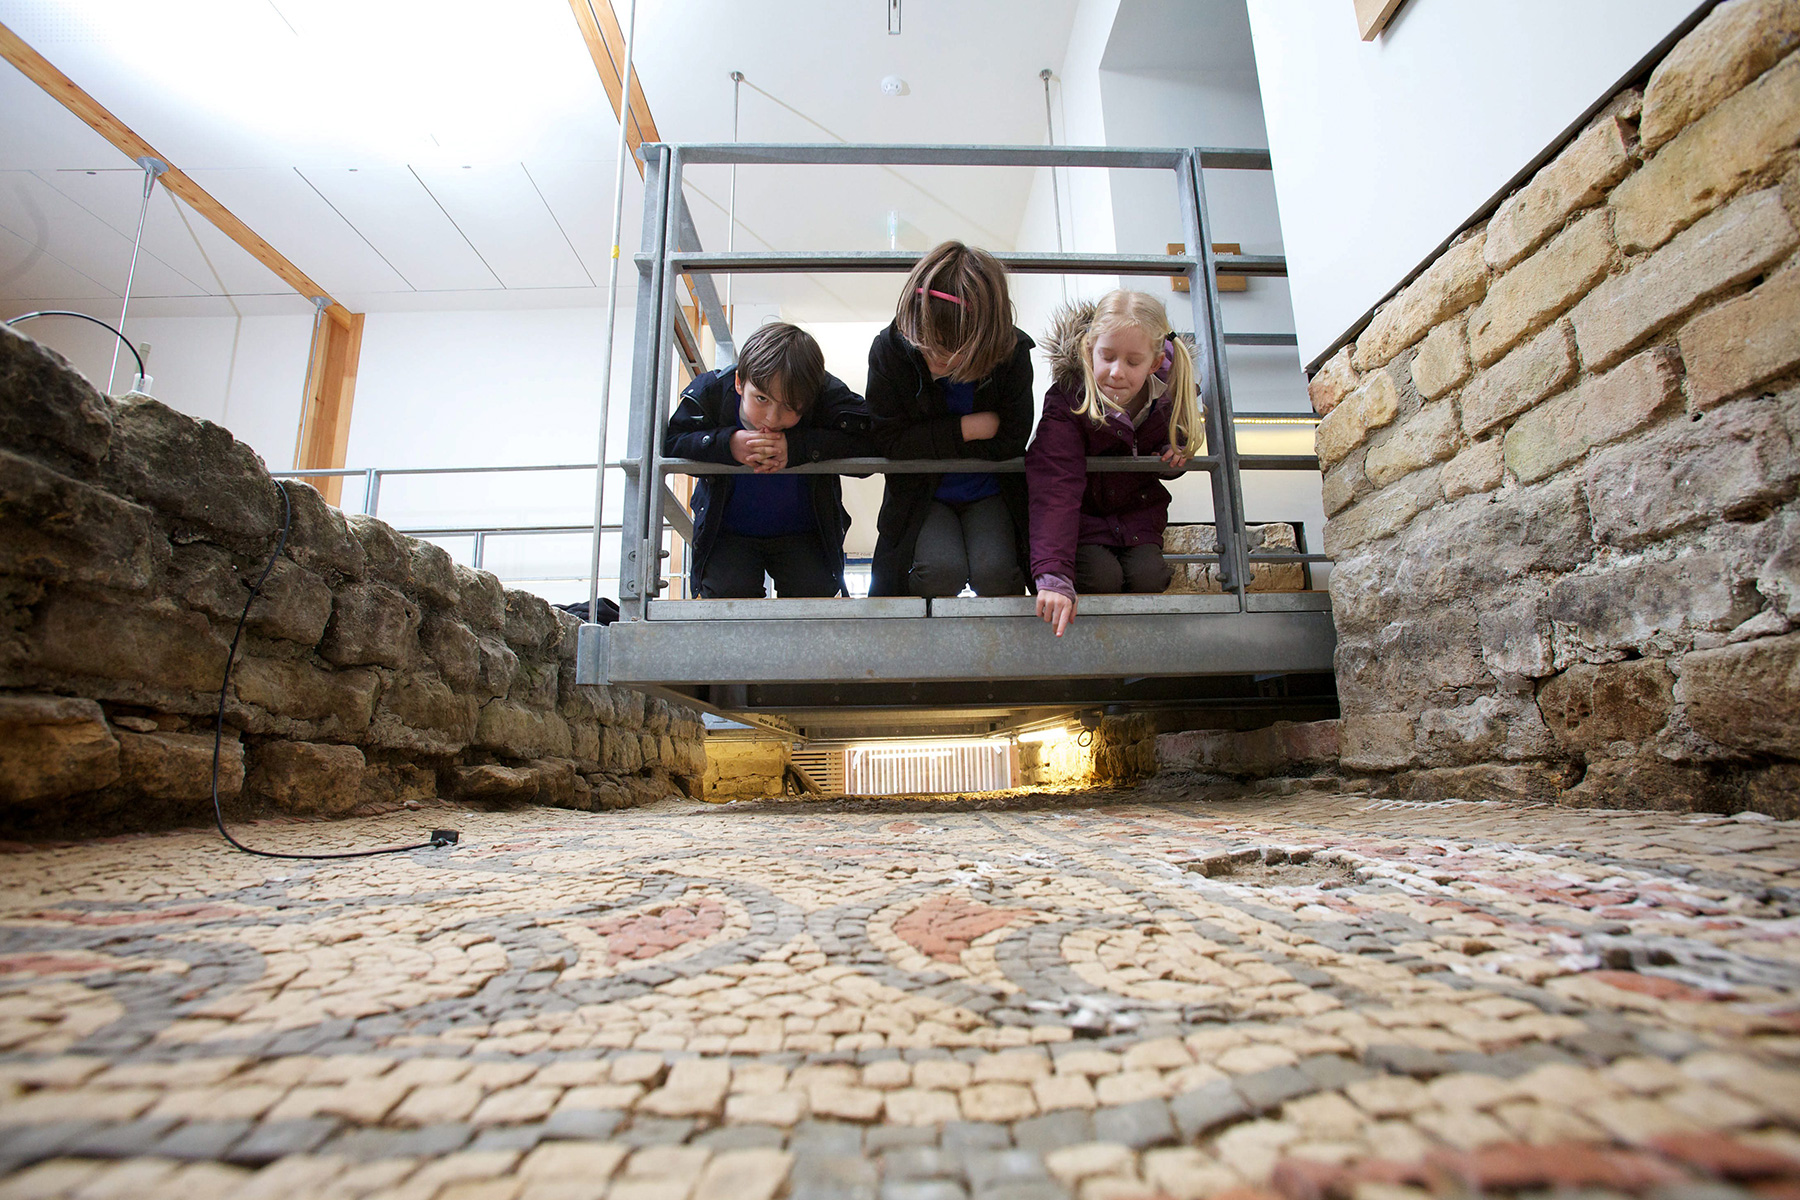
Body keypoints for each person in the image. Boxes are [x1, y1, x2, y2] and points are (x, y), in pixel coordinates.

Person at [865, 241, 1036, 598]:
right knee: (940, 572)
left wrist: (927, 440)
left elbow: (1011, 439)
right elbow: (889, 442)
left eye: (948, 353)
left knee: (999, 576)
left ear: (982, 342)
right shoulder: (890, 349)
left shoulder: (1012, 352)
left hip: (990, 489)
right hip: (923, 493)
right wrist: (969, 428)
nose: (932, 359)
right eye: (923, 345)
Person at [1026, 291, 1201, 636]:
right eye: (1106, 357)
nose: (1117, 372)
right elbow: (1054, 485)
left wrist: (1174, 453)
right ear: (1090, 349)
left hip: (1136, 518)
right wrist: (1053, 574)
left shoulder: (1170, 395)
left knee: (1149, 576)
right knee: (1101, 576)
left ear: (1153, 363)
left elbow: (1182, 438)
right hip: (1082, 523)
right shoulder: (1069, 400)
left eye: (1133, 362)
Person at [664, 321, 871, 598]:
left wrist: (799, 448)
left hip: (805, 533)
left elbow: (873, 440)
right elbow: (671, 442)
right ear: (739, 382)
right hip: (727, 533)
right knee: (727, 595)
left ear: (810, 399)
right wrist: (727, 445)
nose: (772, 419)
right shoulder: (711, 391)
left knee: (816, 594)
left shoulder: (824, 391)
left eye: (789, 407)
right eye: (761, 398)